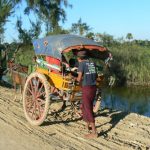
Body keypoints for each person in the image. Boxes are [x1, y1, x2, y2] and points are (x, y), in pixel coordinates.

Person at [75, 49, 98, 139]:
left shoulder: (81, 64)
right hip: (93, 88)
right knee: (85, 106)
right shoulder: (92, 63)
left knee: (88, 108)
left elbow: (79, 79)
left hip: (87, 88)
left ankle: (94, 132)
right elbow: (95, 76)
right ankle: (88, 125)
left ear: (79, 58)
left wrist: (74, 78)